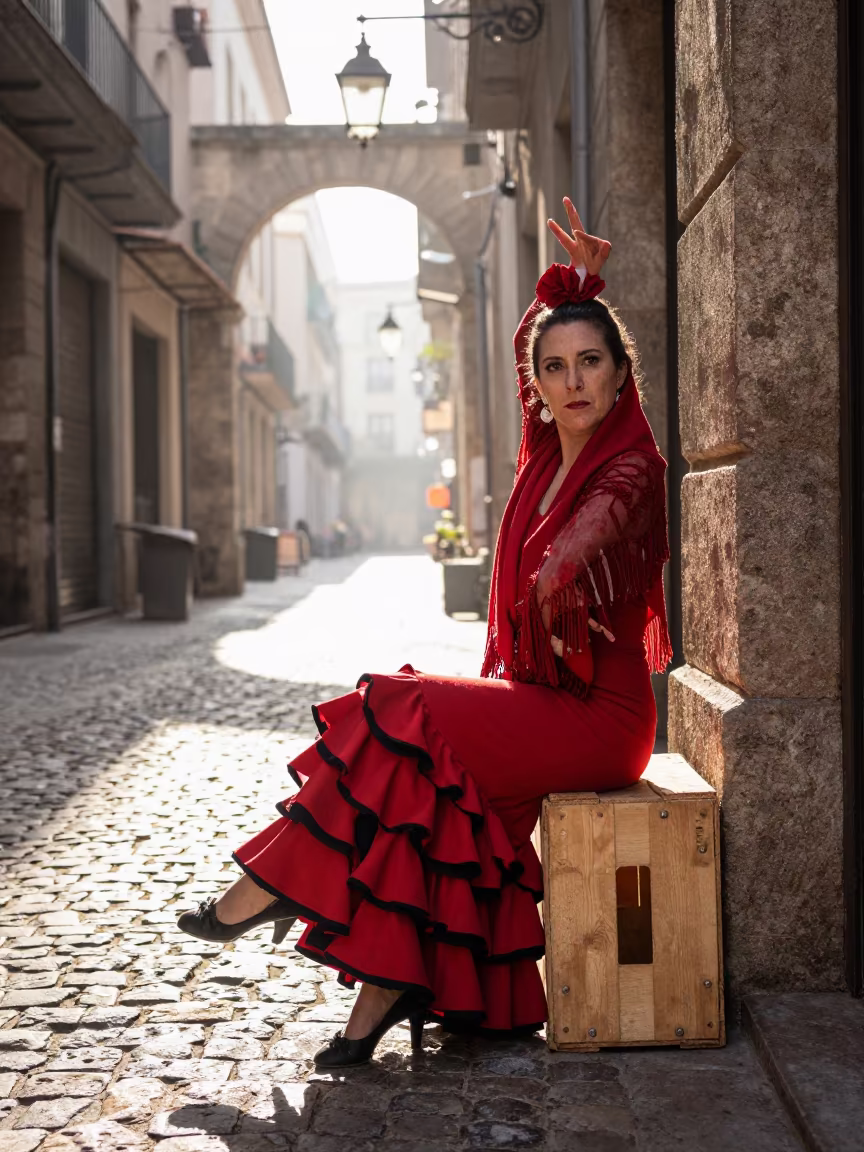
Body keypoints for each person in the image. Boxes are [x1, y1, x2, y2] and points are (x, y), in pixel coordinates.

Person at [176, 200, 672, 1067]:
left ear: (622, 375)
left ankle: (274, 881)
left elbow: (594, 537)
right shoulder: (544, 458)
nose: (572, 381)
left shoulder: (630, 464)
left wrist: (560, 581)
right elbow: (537, 343)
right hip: (546, 699)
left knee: (395, 706)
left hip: (601, 717)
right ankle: (384, 999)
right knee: (437, 813)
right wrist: (573, 286)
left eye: (591, 361)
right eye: (555, 368)